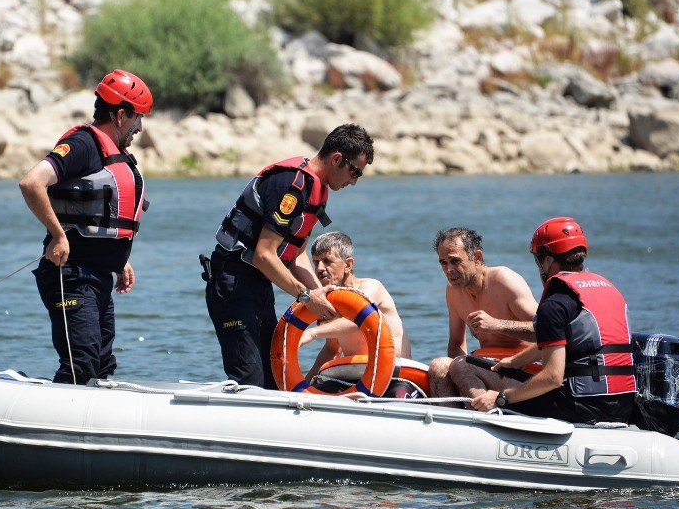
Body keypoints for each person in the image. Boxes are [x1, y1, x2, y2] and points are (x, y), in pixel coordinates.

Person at [203, 124, 374, 389]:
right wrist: (306, 297)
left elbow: (297, 254)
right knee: (249, 380)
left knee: (274, 379)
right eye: (355, 172)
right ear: (337, 159)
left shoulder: (318, 190)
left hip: (258, 286)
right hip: (232, 285)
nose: (354, 181)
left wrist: (325, 296)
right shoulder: (291, 187)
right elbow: (264, 255)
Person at [19, 69, 152, 384]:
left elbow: (101, 218)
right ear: (121, 115)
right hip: (70, 274)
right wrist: (58, 234)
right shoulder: (82, 145)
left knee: (103, 365)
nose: (140, 127)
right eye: (138, 119)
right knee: (82, 364)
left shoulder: (117, 154)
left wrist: (121, 261)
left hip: (98, 277)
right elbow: (31, 183)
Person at [470, 217, 637, 424]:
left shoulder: (555, 304)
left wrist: (502, 398)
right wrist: (515, 361)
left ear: (548, 260)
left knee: (465, 367)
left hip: (582, 406)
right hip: (624, 406)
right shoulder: (609, 290)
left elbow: (552, 377)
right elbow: (566, 341)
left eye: (539, 259)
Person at [425, 227, 538, 400]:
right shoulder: (454, 291)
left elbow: (548, 331)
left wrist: (497, 325)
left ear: (477, 257)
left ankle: (485, 414)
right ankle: (459, 420)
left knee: (461, 366)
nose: (449, 270)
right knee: (439, 367)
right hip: (488, 369)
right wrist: (459, 379)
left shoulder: (504, 281)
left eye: (455, 261)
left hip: (525, 371)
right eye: (443, 263)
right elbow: (456, 344)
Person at [298, 231, 412, 381]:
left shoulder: (371, 287)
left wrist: (311, 333)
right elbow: (332, 350)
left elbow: (358, 319)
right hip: (355, 376)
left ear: (348, 265)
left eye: (327, 261)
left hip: (396, 374)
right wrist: (303, 387)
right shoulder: (330, 301)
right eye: (316, 262)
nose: (319, 268)